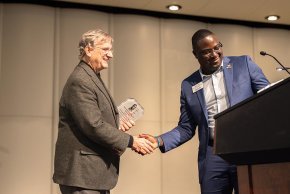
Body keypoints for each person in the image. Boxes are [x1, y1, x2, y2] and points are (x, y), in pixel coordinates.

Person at [140, 29, 269, 194]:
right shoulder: (188, 84)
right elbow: (186, 127)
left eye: (217, 47)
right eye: (207, 52)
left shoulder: (243, 64)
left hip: (245, 148)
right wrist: (159, 140)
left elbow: (267, 97)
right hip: (213, 153)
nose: (214, 54)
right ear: (196, 54)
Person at [53, 29, 154, 194]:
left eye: (110, 50)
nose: (111, 55)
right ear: (88, 49)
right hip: (83, 176)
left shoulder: (91, 76)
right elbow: (93, 126)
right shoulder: (80, 80)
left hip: (91, 176)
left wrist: (116, 124)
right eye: (105, 49)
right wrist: (131, 141)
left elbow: (91, 121)